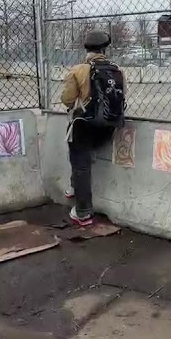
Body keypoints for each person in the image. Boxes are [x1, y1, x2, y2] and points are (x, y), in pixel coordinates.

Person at [60, 30, 127, 226]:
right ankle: (74, 187)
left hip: (85, 126)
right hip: (108, 127)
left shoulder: (79, 70)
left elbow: (67, 99)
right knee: (84, 154)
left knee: (80, 161)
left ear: (86, 48)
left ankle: (82, 212)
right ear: (105, 48)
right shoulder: (118, 70)